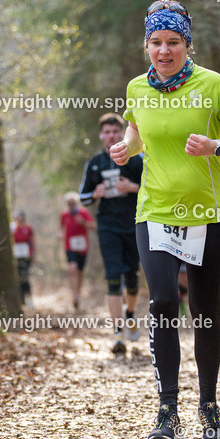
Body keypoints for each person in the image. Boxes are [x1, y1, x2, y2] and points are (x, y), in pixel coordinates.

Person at [111, 0, 220, 439]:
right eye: (156, 42)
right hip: (154, 212)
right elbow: (137, 131)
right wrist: (126, 147)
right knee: (162, 304)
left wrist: (215, 145)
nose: (164, 50)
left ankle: (209, 406)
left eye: (173, 42)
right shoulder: (137, 89)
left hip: (208, 216)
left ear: (187, 45)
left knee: (205, 312)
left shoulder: (213, 85)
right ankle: (166, 410)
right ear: (146, 46)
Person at [79, 113, 144, 354]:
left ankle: (130, 313)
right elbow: (82, 198)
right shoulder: (95, 163)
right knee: (113, 276)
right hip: (107, 227)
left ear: (123, 133)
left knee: (132, 278)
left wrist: (132, 187)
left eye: (116, 132)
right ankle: (117, 333)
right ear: (101, 136)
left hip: (135, 224)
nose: (111, 136)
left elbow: (154, 189)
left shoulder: (137, 160)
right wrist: (95, 194)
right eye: (107, 132)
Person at [59, 192, 94, 310]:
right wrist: (59, 235)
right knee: (72, 268)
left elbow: (93, 226)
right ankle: (74, 295)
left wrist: (83, 222)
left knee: (79, 272)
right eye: (69, 203)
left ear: (76, 203)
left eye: (73, 203)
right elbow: (61, 228)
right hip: (70, 246)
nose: (71, 205)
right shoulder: (64, 215)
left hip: (83, 247)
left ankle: (78, 293)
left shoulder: (83, 213)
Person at [12, 210, 36, 305]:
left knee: (25, 276)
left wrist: (33, 255)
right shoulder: (13, 228)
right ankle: (21, 298)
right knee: (18, 276)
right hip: (16, 256)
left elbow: (33, 242)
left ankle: (28, 297)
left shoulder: (28, 228)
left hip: (26, 256)